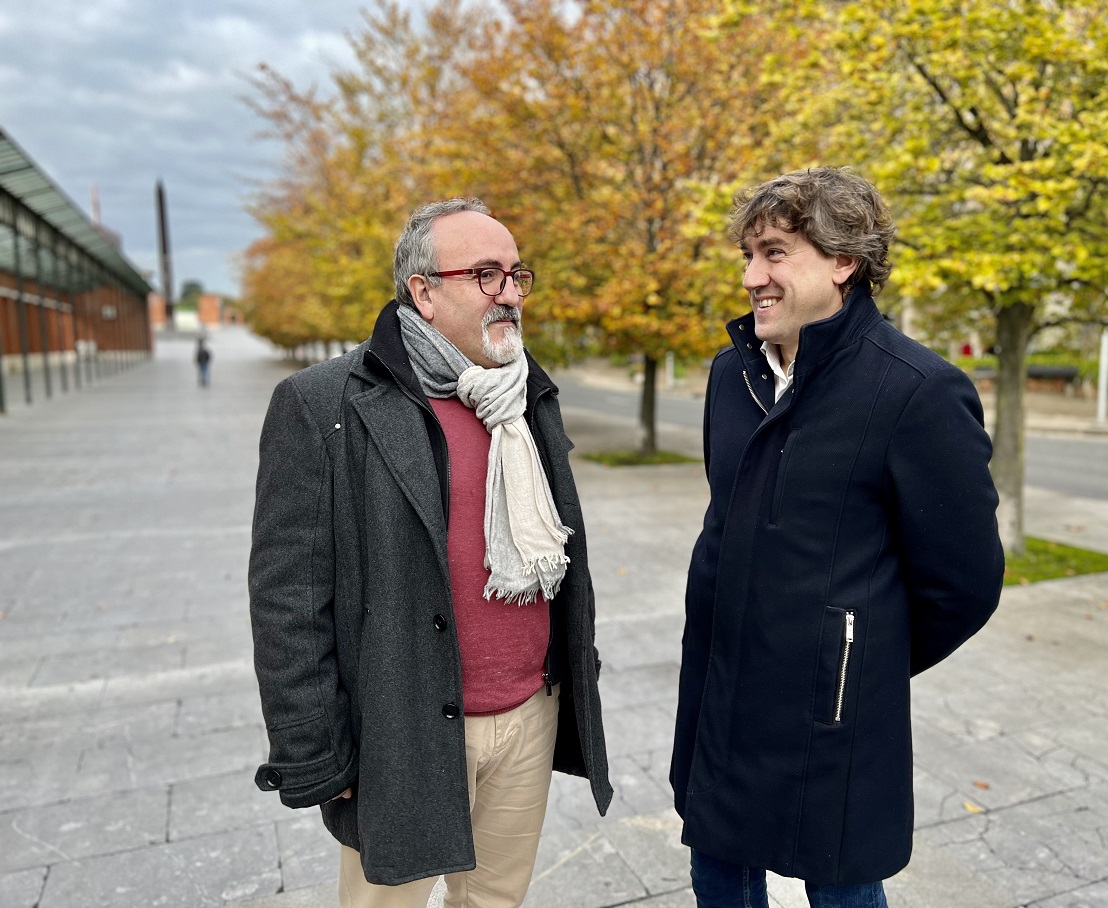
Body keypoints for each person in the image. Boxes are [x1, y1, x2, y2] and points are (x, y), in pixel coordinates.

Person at [249, 198, 611, 908]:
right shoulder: (325, 404)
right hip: (401, 728)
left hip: (529, 715)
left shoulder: (525, 393)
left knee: (494, 903)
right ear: (423, 290)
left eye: (515, 273)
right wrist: (318, 752)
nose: (509, 292)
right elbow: (287, 598)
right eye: (484, 274)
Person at [670, 167, 1004, 908]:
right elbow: (725, 523)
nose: (753, 275)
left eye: (776, 253)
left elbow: (966, 584)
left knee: (842, 890)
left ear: (843, 261)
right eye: (749, 256)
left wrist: (851, 655)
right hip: (722, 703)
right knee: (717, 876)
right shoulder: (733, 376)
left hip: (835, 715)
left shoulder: (917, 391)